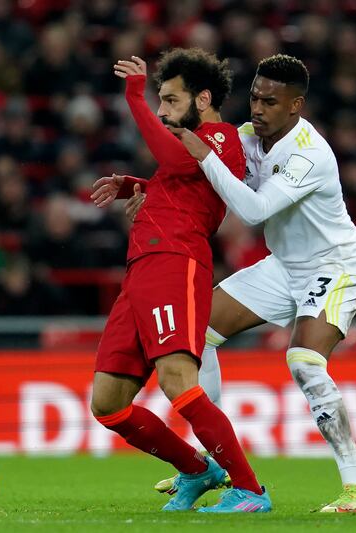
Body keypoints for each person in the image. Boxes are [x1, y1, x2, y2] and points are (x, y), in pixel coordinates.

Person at [119, 54, 356, 513]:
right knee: (198, 335)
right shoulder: (245, 136)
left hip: (336, 264)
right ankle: (216, 459)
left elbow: (255, 210)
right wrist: (141, 188)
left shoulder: (308, 153)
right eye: (255, 97)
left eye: (271, 102)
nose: (257, 109)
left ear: (296, 105)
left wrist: (204, 154)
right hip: (284, 266)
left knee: (303, 361)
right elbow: (193, 178)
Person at [88, 49, 271, 514]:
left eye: (170, 100)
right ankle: (196, 470)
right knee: (108, 403)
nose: (164, 111)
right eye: (159, 101)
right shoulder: (186, 146)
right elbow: (177, 181)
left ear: (203, 98)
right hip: (140, 271)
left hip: (177, 263)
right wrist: (138, 185)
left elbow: (181, 159)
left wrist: (136, 99)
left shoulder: (222, 137)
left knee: (177, 380)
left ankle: (250, 490)